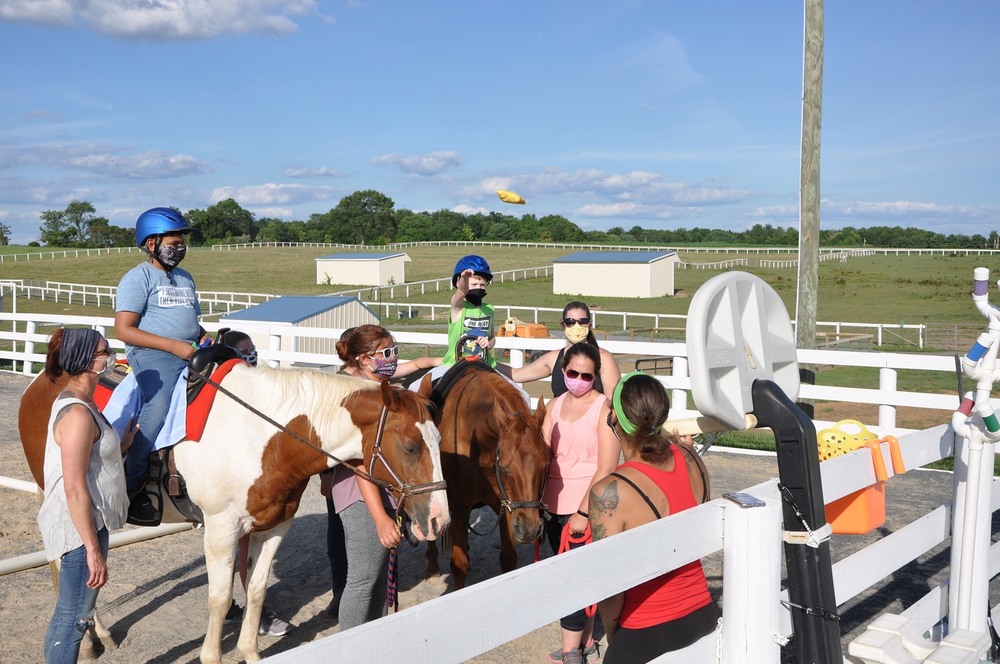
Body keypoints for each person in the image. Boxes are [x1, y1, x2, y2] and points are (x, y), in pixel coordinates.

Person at [589, 372, 716, 664]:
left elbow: (611, 591)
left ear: (615, 420)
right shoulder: (693, 458)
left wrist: (613, 634)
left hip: (647, 628)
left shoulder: (609, 492)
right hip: (701, 614)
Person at [37, 328, 135, 663]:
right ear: (85, 361)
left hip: (87, 524)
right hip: (81, 530)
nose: (111, 357)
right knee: (74, 620)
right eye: (104, 351)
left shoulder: (83, 403)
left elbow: (90, 456)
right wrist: (93, 549)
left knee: (68, 614)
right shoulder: (78, 414)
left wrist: (119, 445)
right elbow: (74, 486)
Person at [323, 324, 431, 630]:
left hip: (385, 492)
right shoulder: (356, 396)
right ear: (363, 359)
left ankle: (374, 643)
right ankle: (350, 649)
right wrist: (381, 518)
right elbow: (360, 464)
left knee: (382, 578)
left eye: (394, 351)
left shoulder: (382, 390)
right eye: (386, 353)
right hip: (361, 495)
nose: (393, 358)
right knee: (362, 580)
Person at [114, 207, 210, 524]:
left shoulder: (185, 277)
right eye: (173, 241)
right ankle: (132, 482)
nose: (180, 246)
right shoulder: (137, 278)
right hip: (152, 353)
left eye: (182, 241)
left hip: (187, 348)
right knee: (159, 402)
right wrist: (174, 346)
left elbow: (188, 320)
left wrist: (203, 337)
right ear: (152, 243)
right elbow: (124, 329)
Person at [540, 343, 620, 664]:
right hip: (552, 506)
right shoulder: (554, 406)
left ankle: (569, 653)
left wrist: (584, 511)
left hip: (584, 509)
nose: (579, 379)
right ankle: (585, 643)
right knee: (577, 578)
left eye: (587, 375)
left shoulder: (604, 410)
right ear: (563, 373)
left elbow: (606, 468)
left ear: (595, 376)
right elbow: (543, 455)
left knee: (570, 582)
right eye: (573, 373)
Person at [214, 331, 291, 637]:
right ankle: (253, 614)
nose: (251, 356)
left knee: (242, 546)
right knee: (241, 545)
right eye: (243, 351)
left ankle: (247, 611)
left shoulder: (261, 381)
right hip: (233, 480)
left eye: (252, 350)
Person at [511, 301, 621, 398]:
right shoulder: (553, 359)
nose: (576, 326)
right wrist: (493, 363)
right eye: (570, 322)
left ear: (589, 325)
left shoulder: (604, 359)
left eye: (582, 321)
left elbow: (612, 402)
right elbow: (517, 375)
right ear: (563, 326)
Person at [442, 255, 496, 368]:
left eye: (482, 285)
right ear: (457, 282)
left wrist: (489, 344)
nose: (479, 288)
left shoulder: (489, 309)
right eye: (474, 284)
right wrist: (464, 278)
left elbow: (492, 337)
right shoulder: (458, 307)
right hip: (456, 365)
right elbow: (462, 291)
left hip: (484, 365)